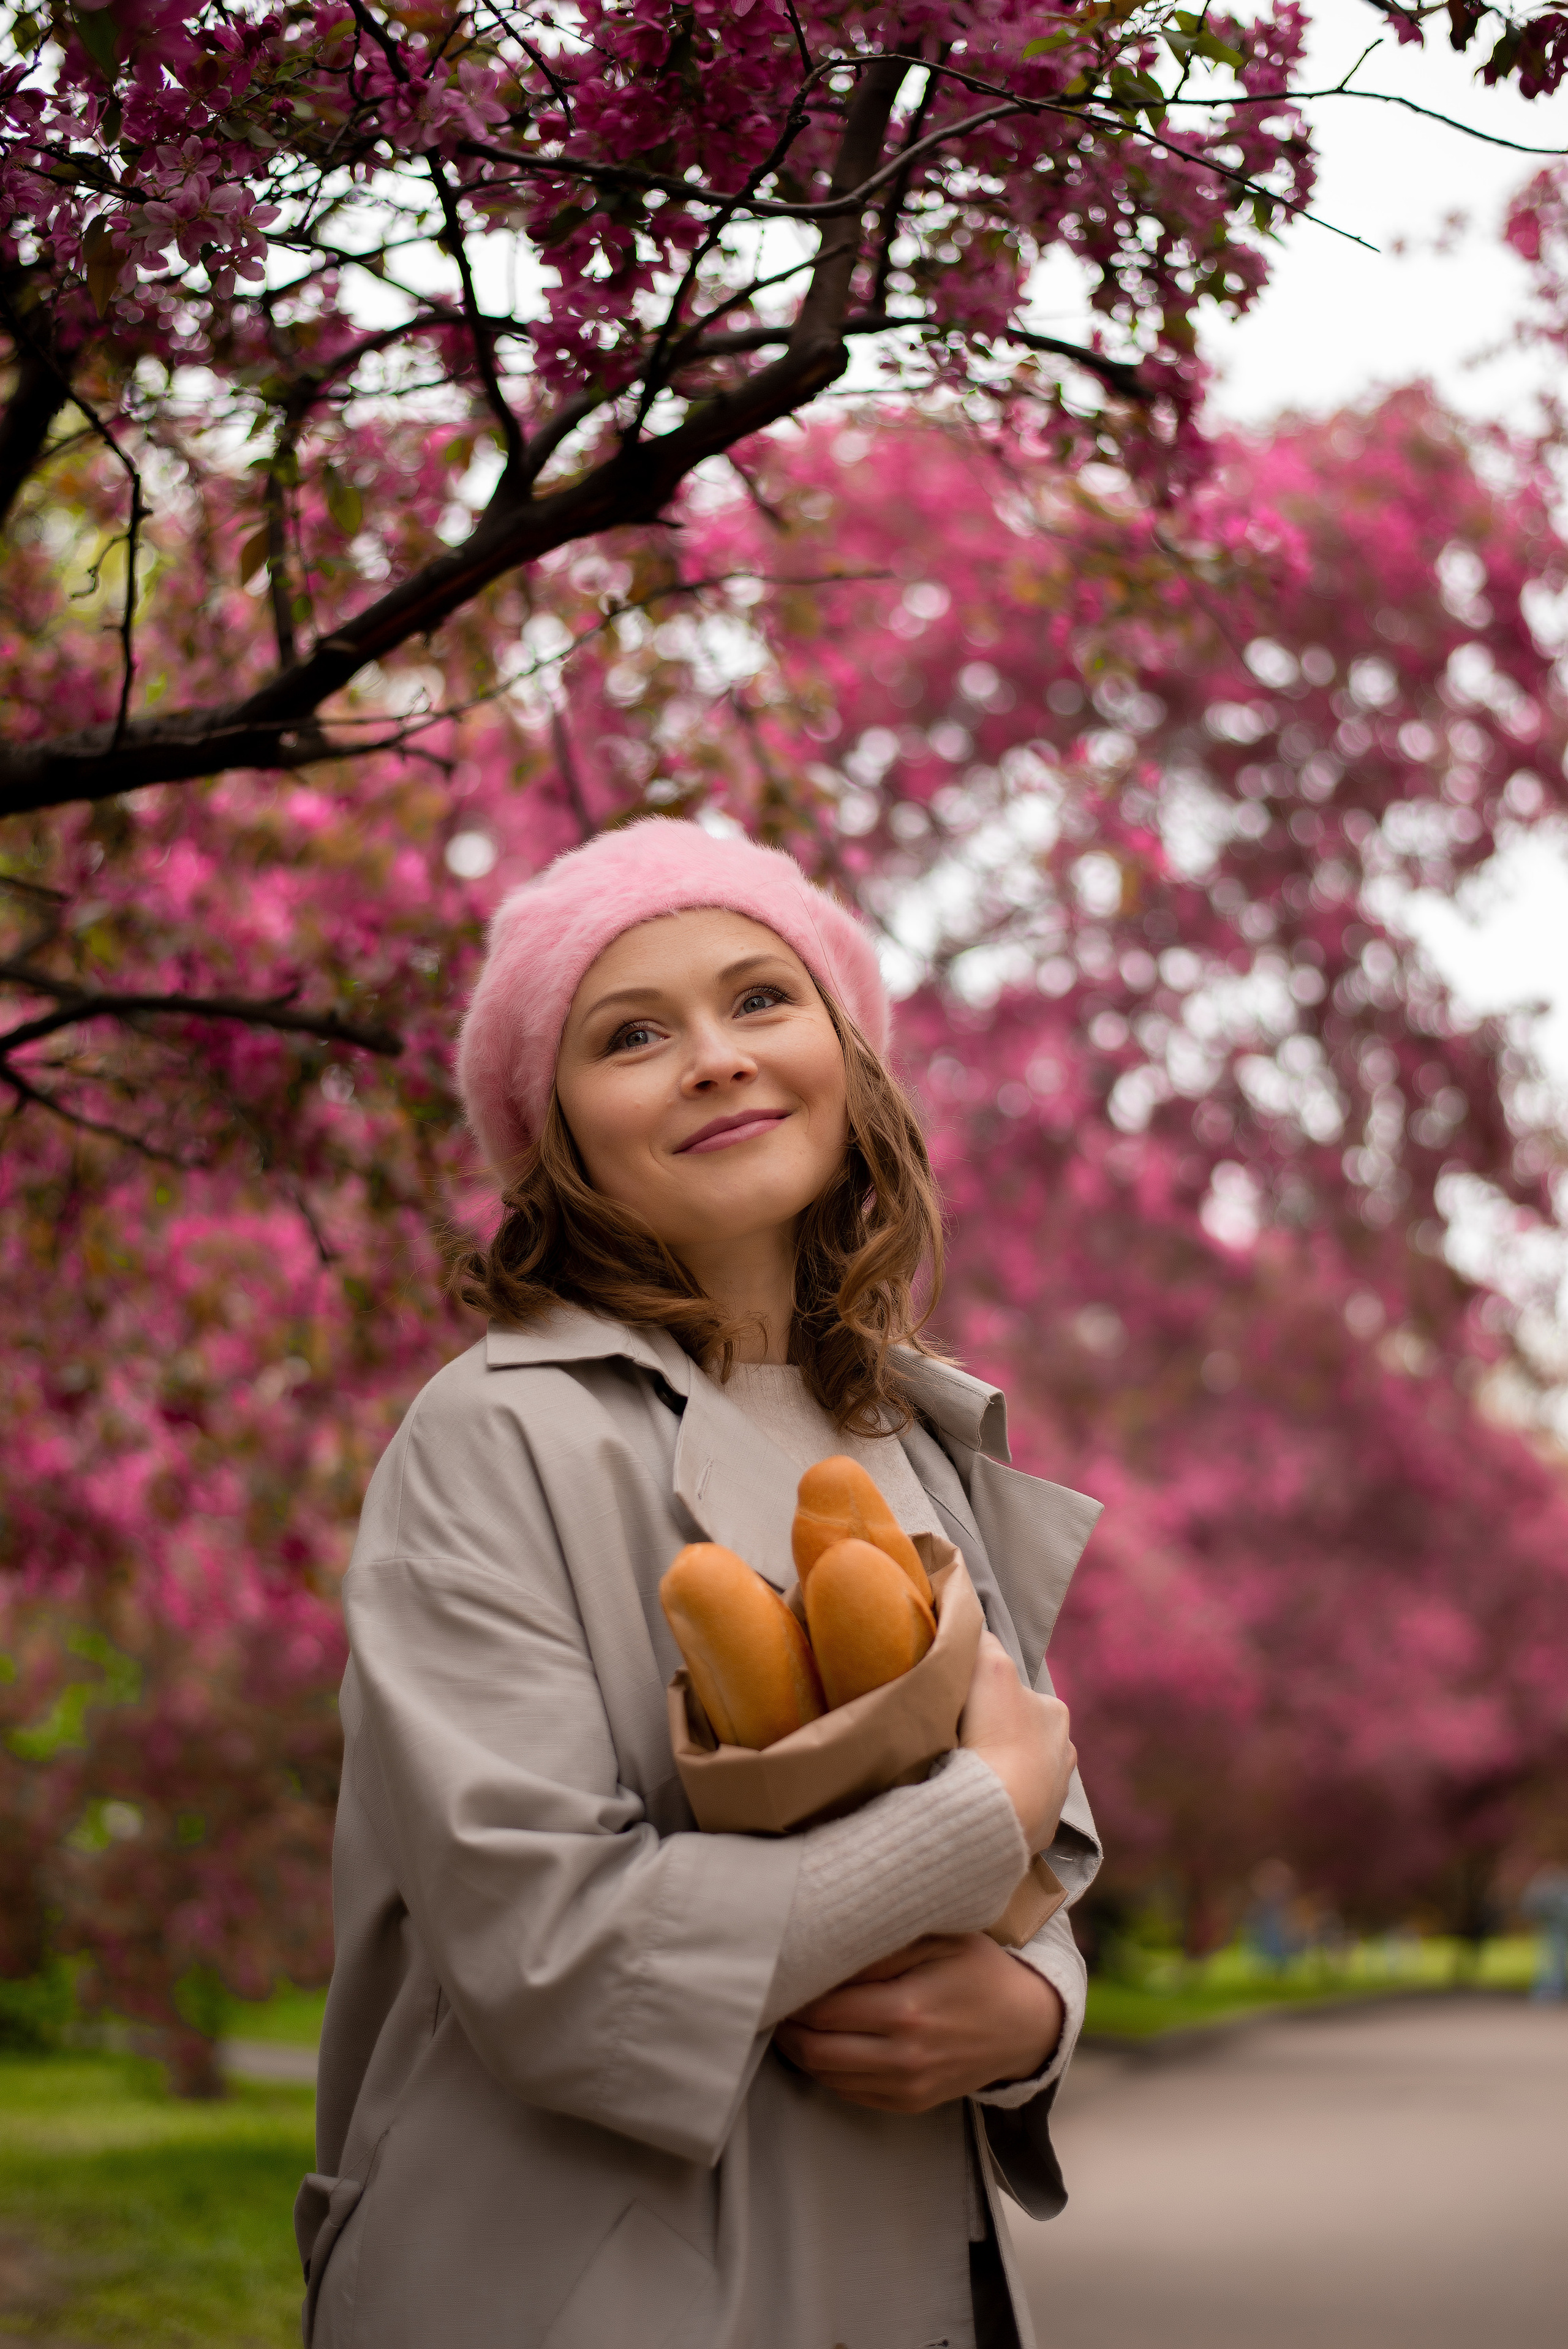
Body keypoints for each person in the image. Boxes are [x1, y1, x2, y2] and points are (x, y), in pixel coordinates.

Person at [295, 821, 1102, 2349]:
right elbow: (549, 1956)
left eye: (760, 998)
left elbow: (1035, 1856)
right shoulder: (497, 1434)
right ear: (558, 1133)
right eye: (632, 1034)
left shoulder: (903, 1426)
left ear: (848, 1055)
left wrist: (1031, 2018)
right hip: (597, 2286)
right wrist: (968, 1824)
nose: (715, 1059)